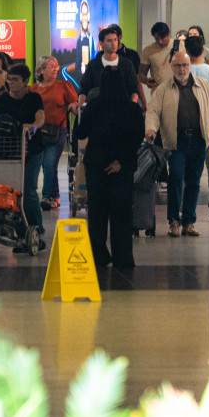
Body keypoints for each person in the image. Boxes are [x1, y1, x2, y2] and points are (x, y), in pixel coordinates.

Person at [145, 51, 209, 237]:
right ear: (172, 67)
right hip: (175, 142)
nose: (182, 69)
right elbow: (153, 111)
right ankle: (173, 221)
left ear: (190, 66)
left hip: (198, 141)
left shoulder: (204, 86)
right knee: (176, 178)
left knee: (194, 181)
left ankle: (189, 222)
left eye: (185, 65)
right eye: (177, 66)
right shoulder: (163, 89)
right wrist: (151, 129)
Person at [74, 67, 144, 269]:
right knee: (121, 214)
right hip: (123, 167)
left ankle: (99, 256)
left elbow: (80, 133)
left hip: (97, 165)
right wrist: (121, 161)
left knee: (97, 213)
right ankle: (123, 257)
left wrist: (77, 112)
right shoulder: (131, 109)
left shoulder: (94, 107)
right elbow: (136, 138)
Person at [0, 63, 45, 234]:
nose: (10, 83)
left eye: (15, 80)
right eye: (9, 79)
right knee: (13, 189)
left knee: (28, 189)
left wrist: (33, 126)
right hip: (12, 149)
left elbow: (40, 118)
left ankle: (36, 227)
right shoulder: (4, 99)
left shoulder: (34, 98)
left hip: (33, 149)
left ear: (26, 81)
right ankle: (20, 229)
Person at [30, 56, 79, 211]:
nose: (55, 69)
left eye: (56, 66)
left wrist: (73, 106)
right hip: (38, 133)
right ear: (41, 70)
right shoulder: (32, 89)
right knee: (47, 165)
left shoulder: (63, 85)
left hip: (58, 130)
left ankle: (46, 197)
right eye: (51, 66)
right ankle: (55, 196)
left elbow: (74, 102)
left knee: (49, 163)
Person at [185, 35, 209, 222]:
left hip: (189, 127)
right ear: (203, 51)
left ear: (186, 51)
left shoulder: (183, 71)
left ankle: (185, 209)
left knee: (189, 169)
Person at [78, 28, 139, 108]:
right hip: (98, 108)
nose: (113, 43)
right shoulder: (93, 65)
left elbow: (134, 90)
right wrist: (80, 106)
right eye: (109, 41)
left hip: (122, 109)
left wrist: (132, 107)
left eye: (115, 40)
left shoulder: (127, 64)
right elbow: (84, 89)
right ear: (101, 43)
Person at [107, 23, 146, 112]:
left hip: (128, 98)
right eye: (109, 39)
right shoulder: (101, 56)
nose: (112, 42)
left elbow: (137, 80)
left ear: (120, 37)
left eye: (114, 38)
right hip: (108, 101)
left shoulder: (132, 55)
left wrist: (143, 102)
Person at [138, 21, 173, 94]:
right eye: (156, 39)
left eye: (162, 38)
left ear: (168, 34)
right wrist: (147, 81)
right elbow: (141, 74)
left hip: (176, 92)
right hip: (158, 93)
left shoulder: (180, 46)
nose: (160, 41)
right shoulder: (148, 50)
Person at [75, 0, 94, 72]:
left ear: (88, 16)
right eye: (83, 15)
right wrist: (82, 72)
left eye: (86, 14)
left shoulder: (92, 40)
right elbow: (77, 67)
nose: (84, 18)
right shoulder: (79, 41)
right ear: (80, 17)